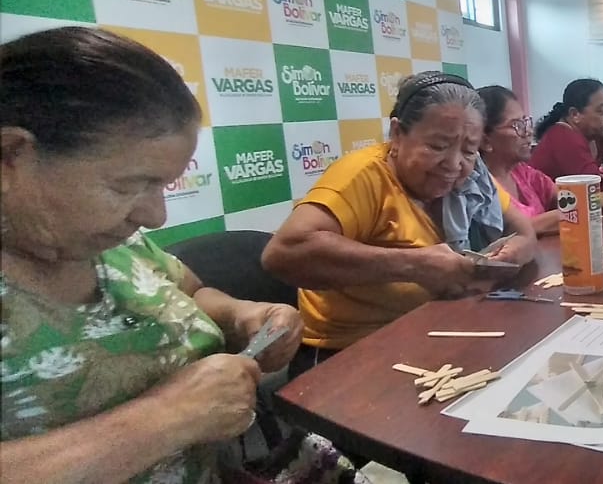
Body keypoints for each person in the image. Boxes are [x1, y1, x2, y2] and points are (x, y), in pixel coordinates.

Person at [0, 27, 358, 482]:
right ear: (11, 156)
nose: (156, 217)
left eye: (164, 186)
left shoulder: (109, 242)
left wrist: (241, 316)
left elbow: (190, 291)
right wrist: (165, 418)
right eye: (128, 186)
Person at [262, 72, 538, 374]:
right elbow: (284, 252)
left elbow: (524, 232)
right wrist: (414, 265)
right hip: (350, 354)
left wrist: (511, 255)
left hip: (434, 331)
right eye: (437, 146)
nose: (453, 164)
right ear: (397, 133)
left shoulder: (473, 179)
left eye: (468, 150)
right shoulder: (363, 176)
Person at [528, 79, 603, 206]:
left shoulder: (599, 136)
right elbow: (597, 190)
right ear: (575, 114)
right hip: (548, 212)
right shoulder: (564, 138)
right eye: (601, 111)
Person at [478, 86, 560, 235]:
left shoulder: (522, 172)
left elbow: (571, 199)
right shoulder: (481, 186)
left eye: (525, 122)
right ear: (485, 140)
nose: (528, 132)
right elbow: (508, 233)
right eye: (516, 125)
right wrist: (564, 215)